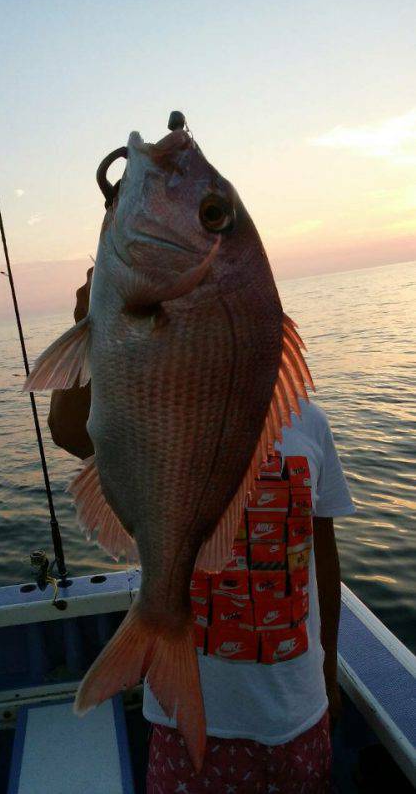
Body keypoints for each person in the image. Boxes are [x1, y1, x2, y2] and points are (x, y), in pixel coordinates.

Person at [48, 270, 355, 794]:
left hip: (300, 715)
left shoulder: (311, 424)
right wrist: (99, 324)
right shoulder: (157, 413)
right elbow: (70, 431)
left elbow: (322, 559)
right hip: (185, 724)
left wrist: (328, 668)